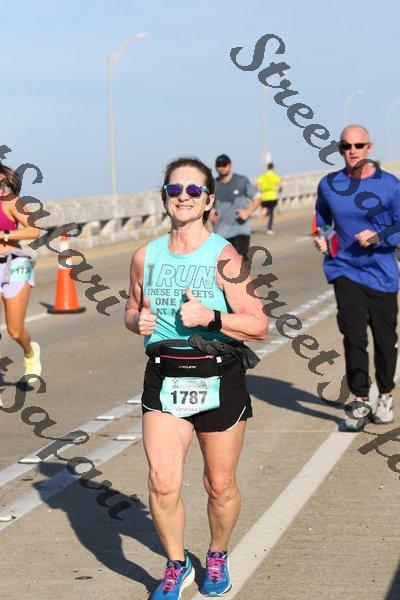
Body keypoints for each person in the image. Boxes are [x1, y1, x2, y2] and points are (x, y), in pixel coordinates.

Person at [125, 156, 268, 599]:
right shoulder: (145, 255)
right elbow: (132, 307)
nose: (183, 197)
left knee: (219, 485)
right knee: (162, 481)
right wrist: (136, 321)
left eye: (193, 190)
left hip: (218, 374)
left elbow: (259, 324)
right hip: (165, 375)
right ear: (164, 197)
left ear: (208, 201)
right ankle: (176, 564)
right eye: (175, 189)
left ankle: (217, 553)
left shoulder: (225, 256)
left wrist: (211, 318)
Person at [314, 124, 399, 431]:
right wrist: (322, 236)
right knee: (353, 337)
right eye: (346, 146)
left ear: (369, 148)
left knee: (385, 340)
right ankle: (361, 399)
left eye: (358, 145)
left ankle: (385, 394)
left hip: (382, 274)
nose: (352, 151)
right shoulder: (329, 184)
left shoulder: (389, 185)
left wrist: (378, 237)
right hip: (344, 269)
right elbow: (322, 218)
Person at [0, 163, 41, 377]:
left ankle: (29, 351)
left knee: (15, 331)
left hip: (14, 266)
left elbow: (33, 230)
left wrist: (4, 235)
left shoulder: (10, 201)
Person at [211, 154, 261, 258]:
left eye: (224, 165)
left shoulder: (241, 181)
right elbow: (207, 203)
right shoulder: (213, 185)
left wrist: (248, 212)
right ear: (215, 167)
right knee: (225, 263)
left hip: (240, 229)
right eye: (219, 165)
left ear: (231, 165)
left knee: (239, 260)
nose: (222, 168)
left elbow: (257, 197)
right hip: (221, 231)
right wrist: (210, 215)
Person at [255, 162, 283, 235]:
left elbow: (255, 184)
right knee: (271, 212)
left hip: (264, 196)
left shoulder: (262, 176)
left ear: (267, 167)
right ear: (273, 168)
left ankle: (265, 212)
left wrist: (259, 190)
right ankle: (269, 229)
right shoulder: (275, 176)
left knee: (266, 208)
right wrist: (280, 190)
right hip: (272, 196)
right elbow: (280, 185)